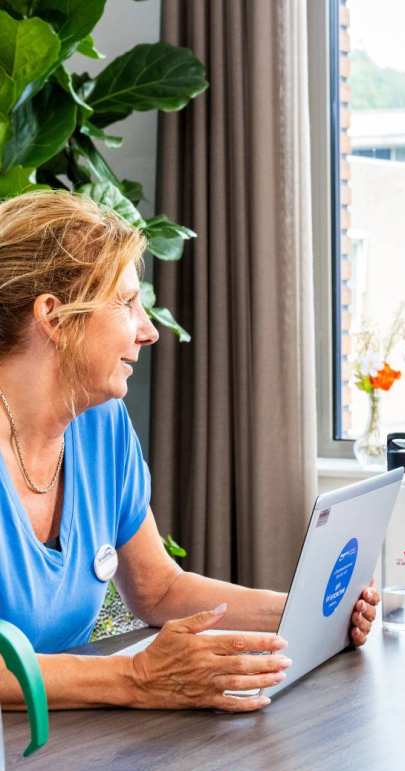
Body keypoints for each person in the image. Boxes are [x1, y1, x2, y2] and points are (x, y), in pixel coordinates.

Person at [0, 191, 378, 711]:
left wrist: (310, 610)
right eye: (127, 302)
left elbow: (158, 591)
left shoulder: (100, 427)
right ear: (54, 317)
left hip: (66, 741)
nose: (149, 330)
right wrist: (133, 678)